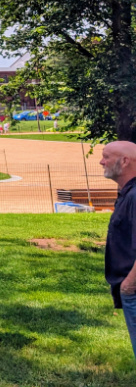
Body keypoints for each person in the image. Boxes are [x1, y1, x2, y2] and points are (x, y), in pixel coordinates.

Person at [101, 140, 136, 361]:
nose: (101, 161)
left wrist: (129, 286)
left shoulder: (134, 196)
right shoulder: (128, 193)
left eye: (106, 156)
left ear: (124, 162)